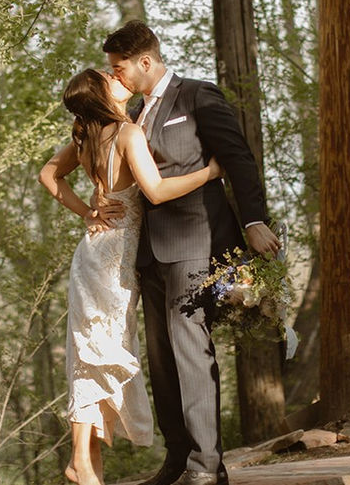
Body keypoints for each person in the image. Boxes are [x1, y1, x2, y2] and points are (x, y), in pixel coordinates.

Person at [101, 21, 280, 485]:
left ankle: (206, 467)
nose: (115, 77)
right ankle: (178, 458)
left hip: (195, 244)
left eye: (119, 68)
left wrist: (255, 221)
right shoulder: (133, 113)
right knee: (161, 363)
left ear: (145, 61)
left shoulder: (198, 96)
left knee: (190, 353)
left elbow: (238, 158)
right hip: (148, 255)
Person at [40, 68, 225, 485]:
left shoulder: (86, 136)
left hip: (97, 254)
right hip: (111, 262)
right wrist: (211, 173)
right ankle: (81, 464)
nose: (116, 75)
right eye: (109, 76)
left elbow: (47, 175)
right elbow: (157, 192)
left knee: (94, 352)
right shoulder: (126, 133)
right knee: (97, 353)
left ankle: (89, 465)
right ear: (102, 94)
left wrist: (86, 211)